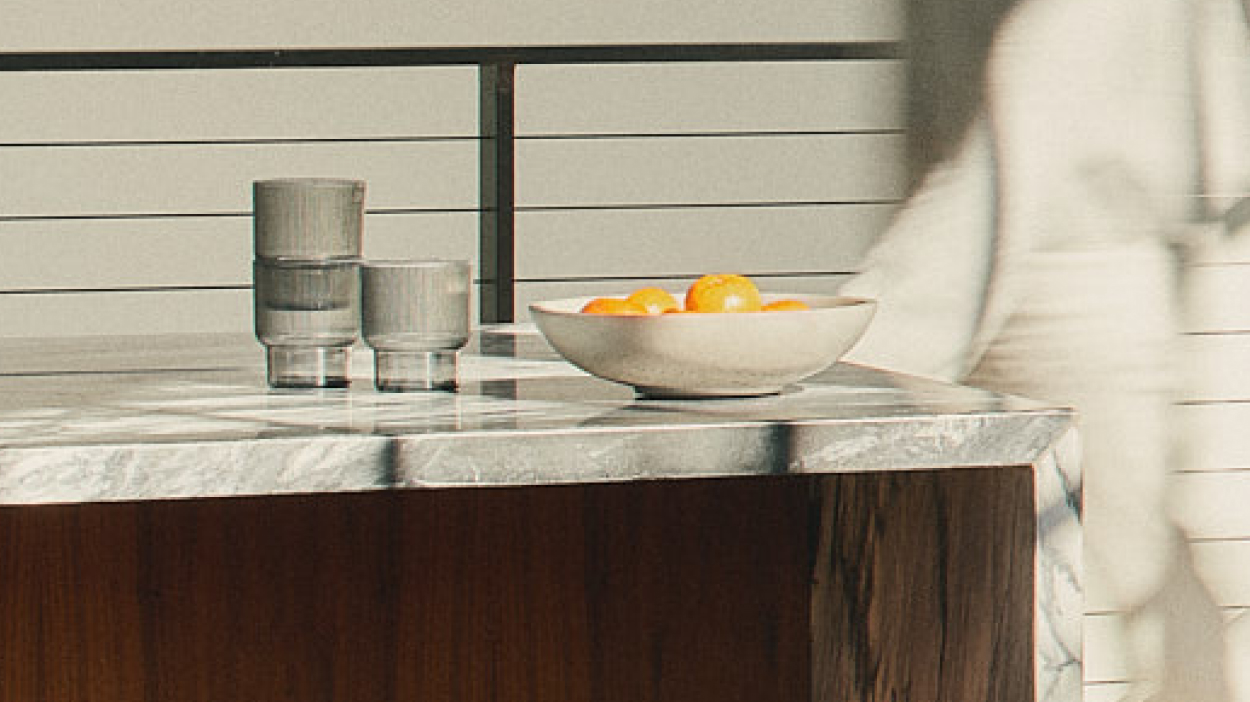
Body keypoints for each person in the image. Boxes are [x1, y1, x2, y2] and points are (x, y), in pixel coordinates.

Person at [839, 0, 1250, 699]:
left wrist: (851, 341)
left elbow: (1016, 137)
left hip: (1075, 274)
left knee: (1140, 588)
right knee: (1111, 587)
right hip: (1041, 263)